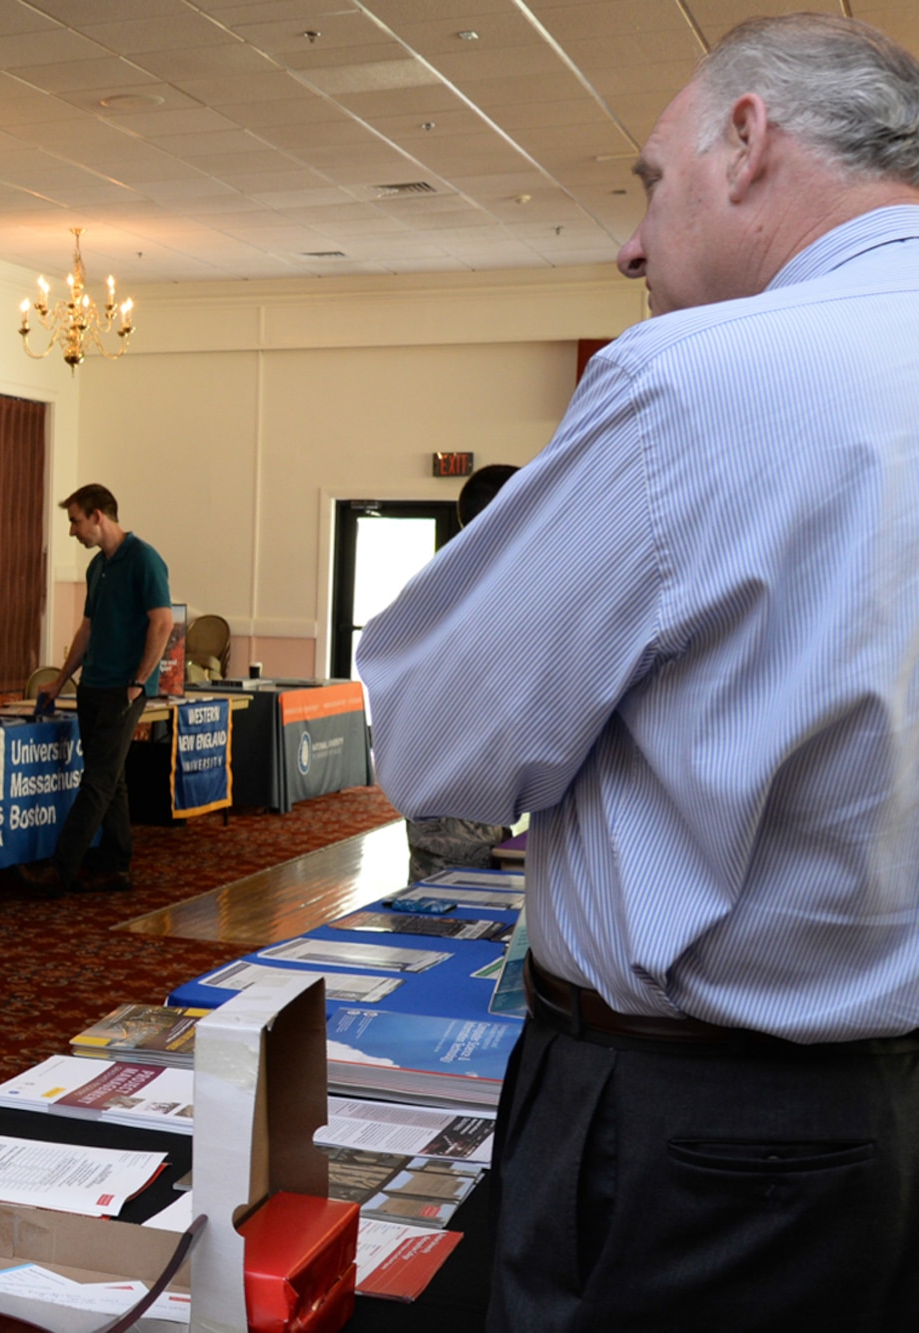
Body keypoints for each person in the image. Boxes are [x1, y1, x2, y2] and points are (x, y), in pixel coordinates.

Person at [356, 16, 919, 1328]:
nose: (628, 240)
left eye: (650, 183)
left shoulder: (698, 382)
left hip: (692, 1125)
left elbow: (440, 743)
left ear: (748, 140)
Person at [25, 484, 172, 896]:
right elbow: (87, 629)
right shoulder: (97, 567)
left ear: (98, 517)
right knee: (112, 780)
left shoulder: (144, 559)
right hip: (94, 685)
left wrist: (138, 682)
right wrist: (61, 679)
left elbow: (162, 623)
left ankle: (61, 869)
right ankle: (116, 865)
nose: (72, 531)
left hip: (123, 690)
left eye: (75, 520)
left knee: (97, 782)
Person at [401, 464, 519, 883]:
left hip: (469, 791)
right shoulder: (469, 588)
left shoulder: (466, 579)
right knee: (452, 916)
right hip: (454, 800)